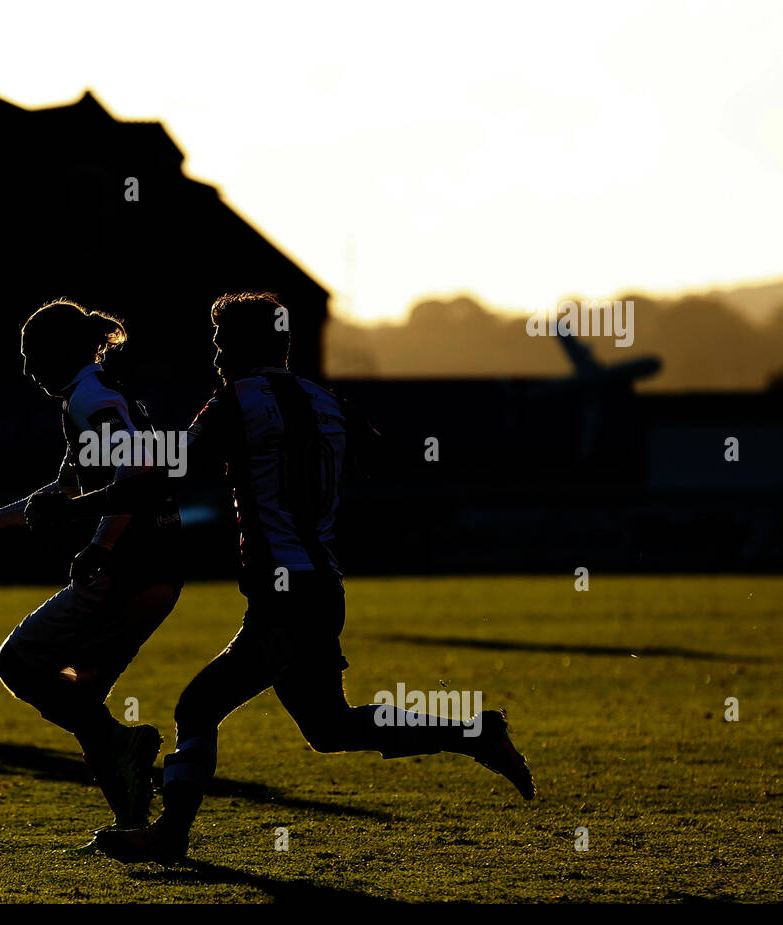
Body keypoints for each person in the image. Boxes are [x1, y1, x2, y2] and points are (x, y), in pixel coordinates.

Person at [27, 292, 535, 866]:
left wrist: (73, 509)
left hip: (283, 590)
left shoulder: (237, 402)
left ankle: (170, 836)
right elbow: (387, 460)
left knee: (198, 707)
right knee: (329, 727)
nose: (216, 359)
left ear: (244, 347)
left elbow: (159, 475)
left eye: (222, 346)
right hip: (321, 585)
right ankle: (473, 732)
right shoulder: (326, 400)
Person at [0, 299, 183, 846]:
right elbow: (67, 490)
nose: (27, 369)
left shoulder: (91, 396)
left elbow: (138, 466)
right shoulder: (99, 390)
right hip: (161, 572)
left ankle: (125, 748)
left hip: (128, 571)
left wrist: (103, 546)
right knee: (82, 696)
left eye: (32, 356)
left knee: (18, 665)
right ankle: (132, 822)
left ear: (62, 352)